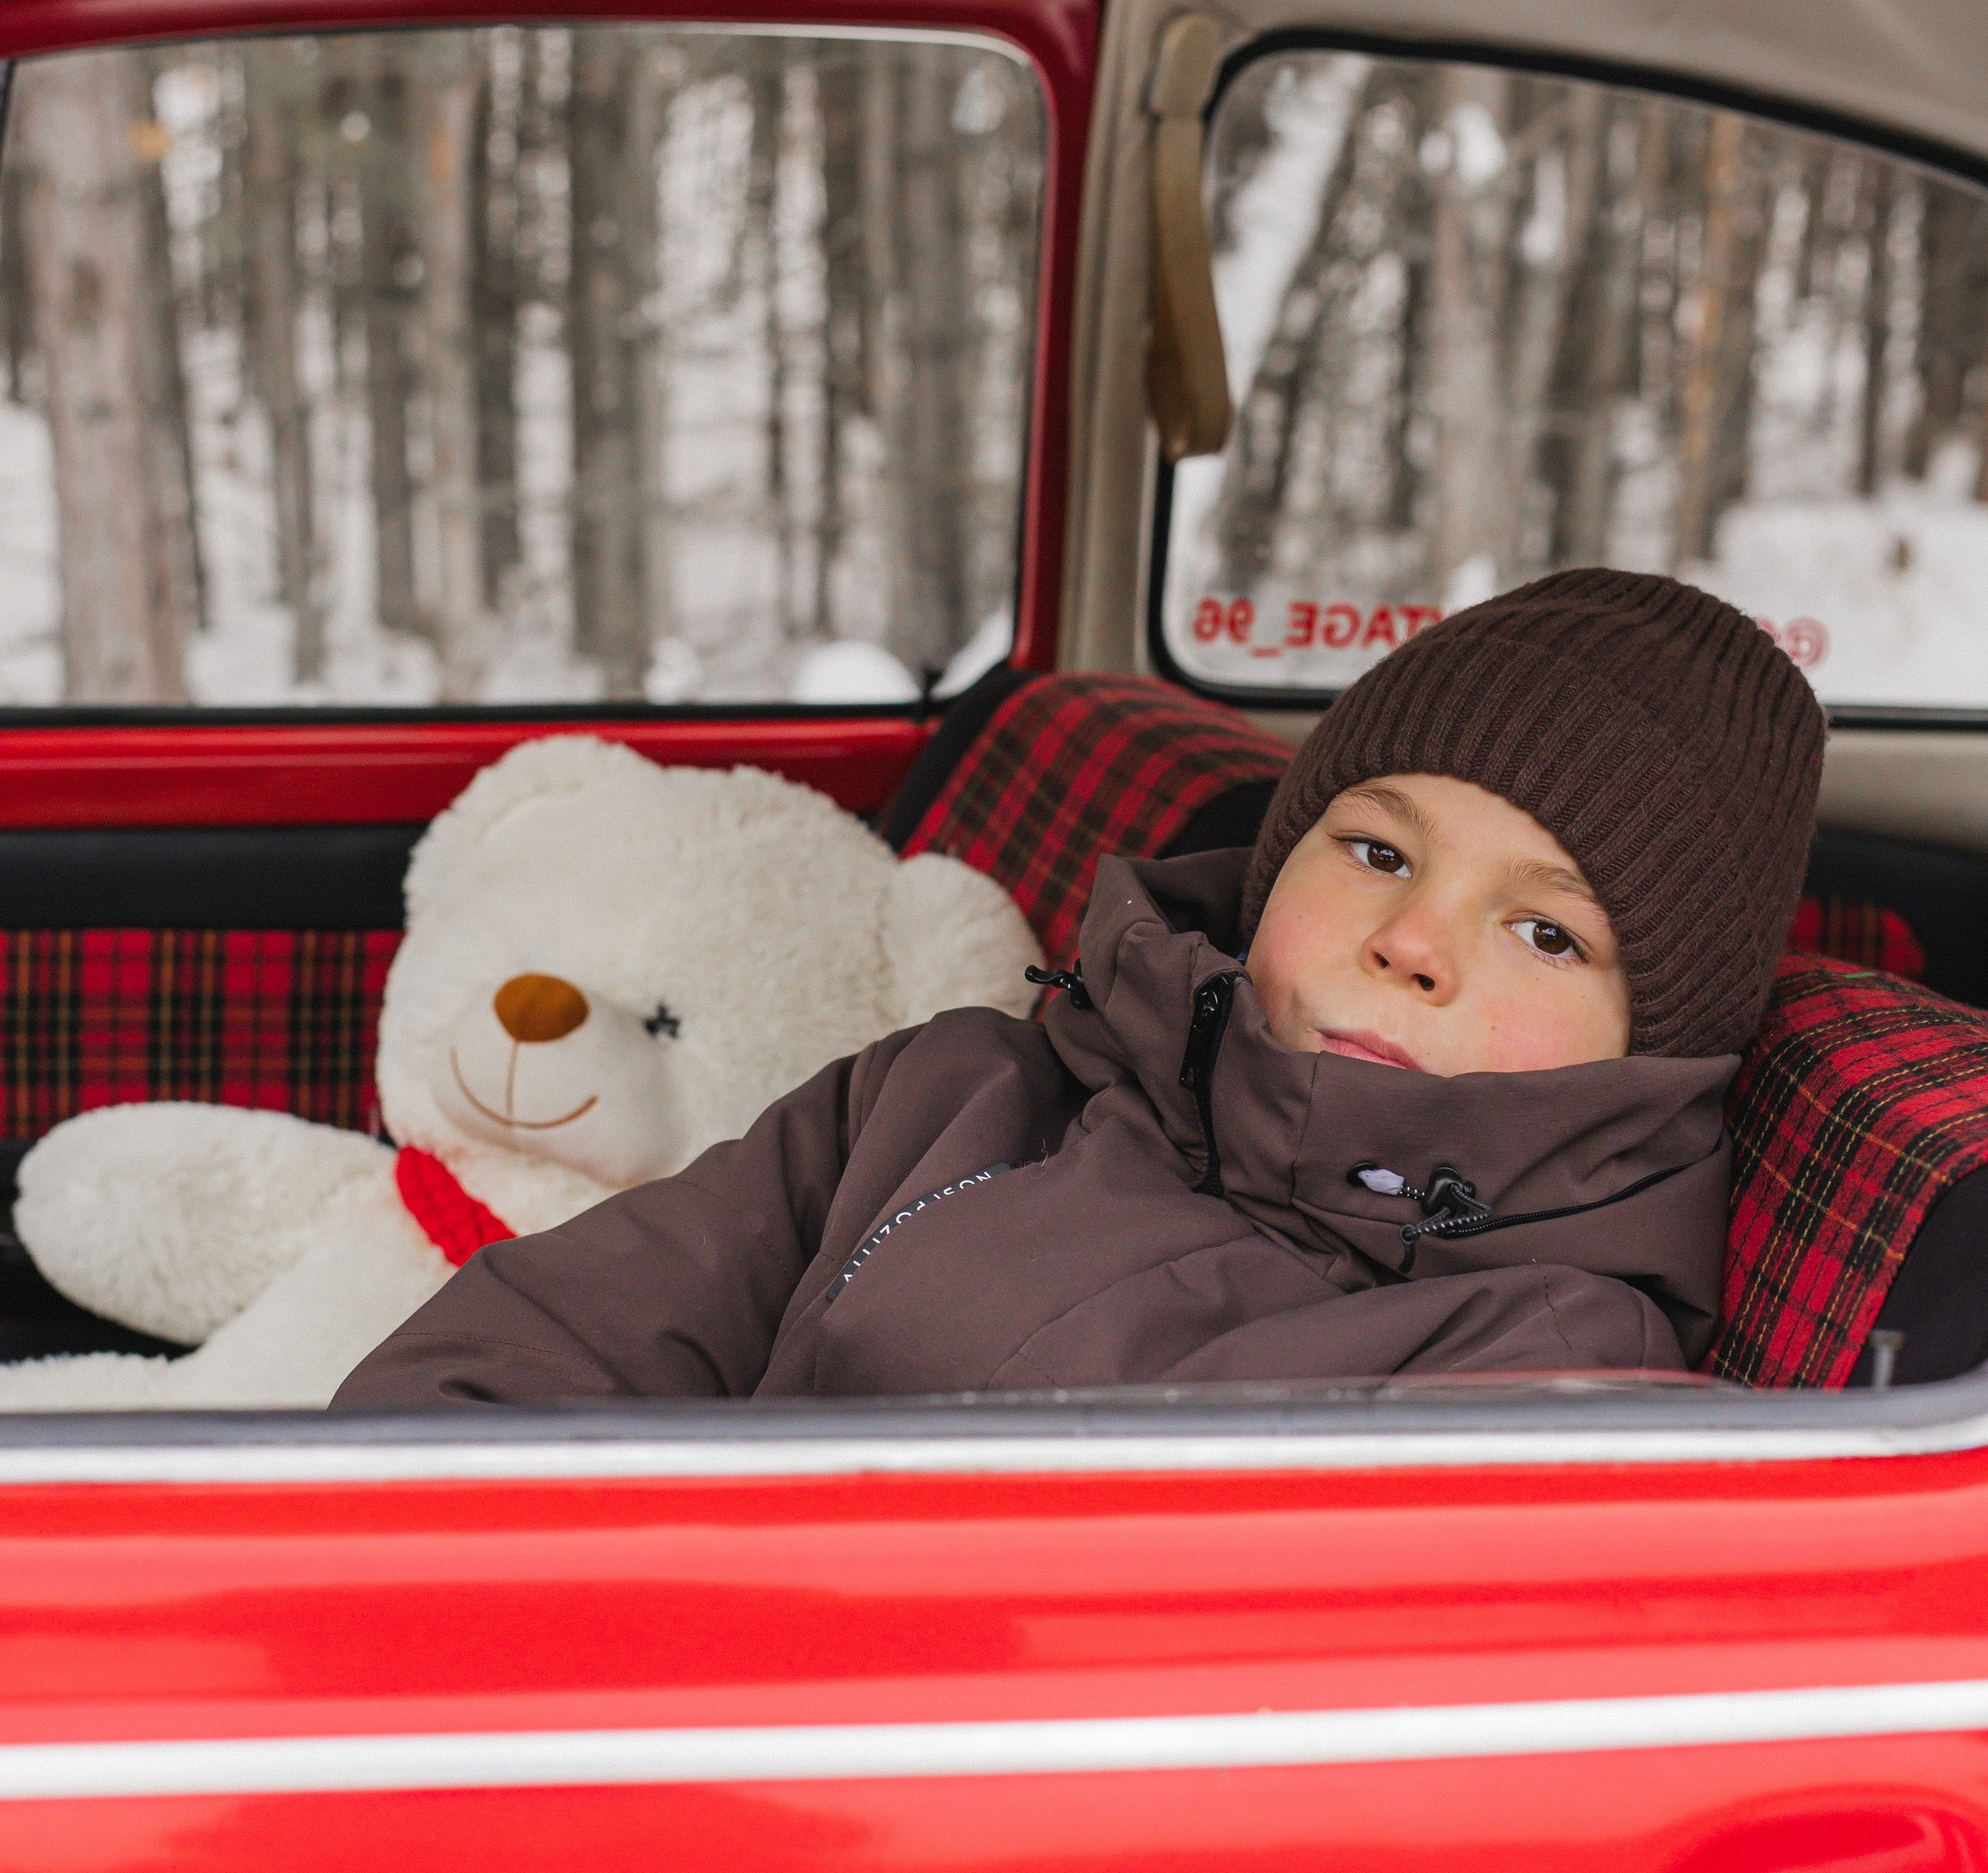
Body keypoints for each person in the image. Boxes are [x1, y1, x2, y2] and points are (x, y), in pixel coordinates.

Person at [332, 567, 1823, 1409]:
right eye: (1376, 849)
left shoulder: (1546, 1373)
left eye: (1546, 933)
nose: (1414, 942)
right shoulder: (965, 1091)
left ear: (1653, 1048)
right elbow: (539, 1341)